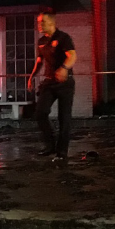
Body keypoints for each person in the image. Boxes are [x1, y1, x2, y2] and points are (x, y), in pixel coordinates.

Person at [28, 11, 77, 161]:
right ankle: (50, 145)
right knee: (40, 113)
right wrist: (32, 76)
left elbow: (72, 56)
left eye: (42, 22)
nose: (39, 25)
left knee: (64, 117)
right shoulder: (42, 41)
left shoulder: (63, 38)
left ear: (51, 23)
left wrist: (63, 68)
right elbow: (39, 61)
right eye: (38, 22)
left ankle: (61, 153)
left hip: (64, 83)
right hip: (49, 82)